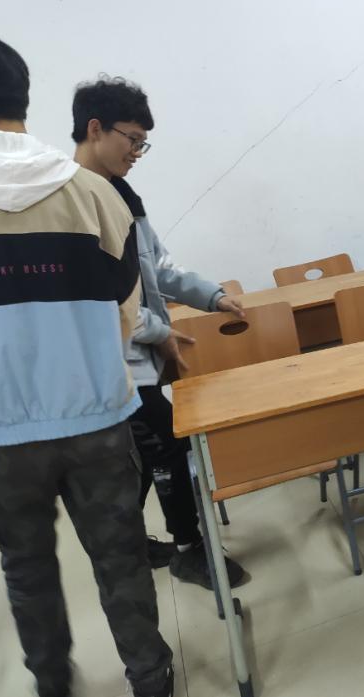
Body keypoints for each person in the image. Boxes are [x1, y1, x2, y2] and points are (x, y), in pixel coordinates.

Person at [0, 33, 173, 696]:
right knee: (121, 557)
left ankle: (51, 681)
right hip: (97, 415)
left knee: (26, 567)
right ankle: (151, 677)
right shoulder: (95, 193)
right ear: (22, 97)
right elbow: (126, 310)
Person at [72, 76, 246, 590]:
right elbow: (98, 296)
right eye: (132, 139)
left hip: (139, 357)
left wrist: (211, 295)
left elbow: (158, 269)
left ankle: (133, 543)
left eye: (143, 143)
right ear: (95, 128)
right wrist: (156, 331)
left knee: (146, 459)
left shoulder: (123, 195)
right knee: (169, 448)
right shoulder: (70, 202)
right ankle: (189, 550)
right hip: (112, 365)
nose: (137, 152)